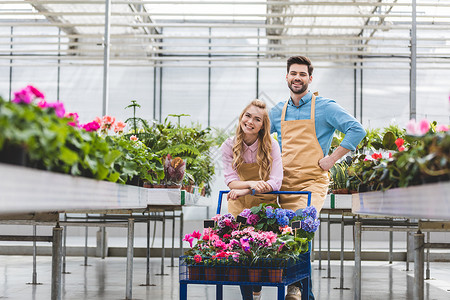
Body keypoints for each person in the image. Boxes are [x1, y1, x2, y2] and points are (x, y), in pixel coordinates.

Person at [269, 56, 366, 300]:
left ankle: (299, 289)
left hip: (312, 183)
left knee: (300, 227)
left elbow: (357, 129)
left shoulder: (325, 107)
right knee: (282, 233)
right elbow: (255, 136)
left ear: (310, 79)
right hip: (285, 184)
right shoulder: (277, 111)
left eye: (302, 74)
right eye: (293, 73)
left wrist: (332, 159)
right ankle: (299, 288)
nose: (297, 78)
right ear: (287, 77)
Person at [221, 99, 283, 300]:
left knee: (260, 257)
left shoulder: (271, 145)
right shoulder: (229, 145)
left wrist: (245, 189)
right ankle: (250, 298)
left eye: (257, 119)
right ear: (241, 117)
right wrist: (254, 184)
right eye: (248, 116)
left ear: (263, 125)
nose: (250, 121)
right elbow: (231, 182)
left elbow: (276, 182)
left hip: (265, 209)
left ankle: (257, 293)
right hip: (238, 206)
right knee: (240, 256)